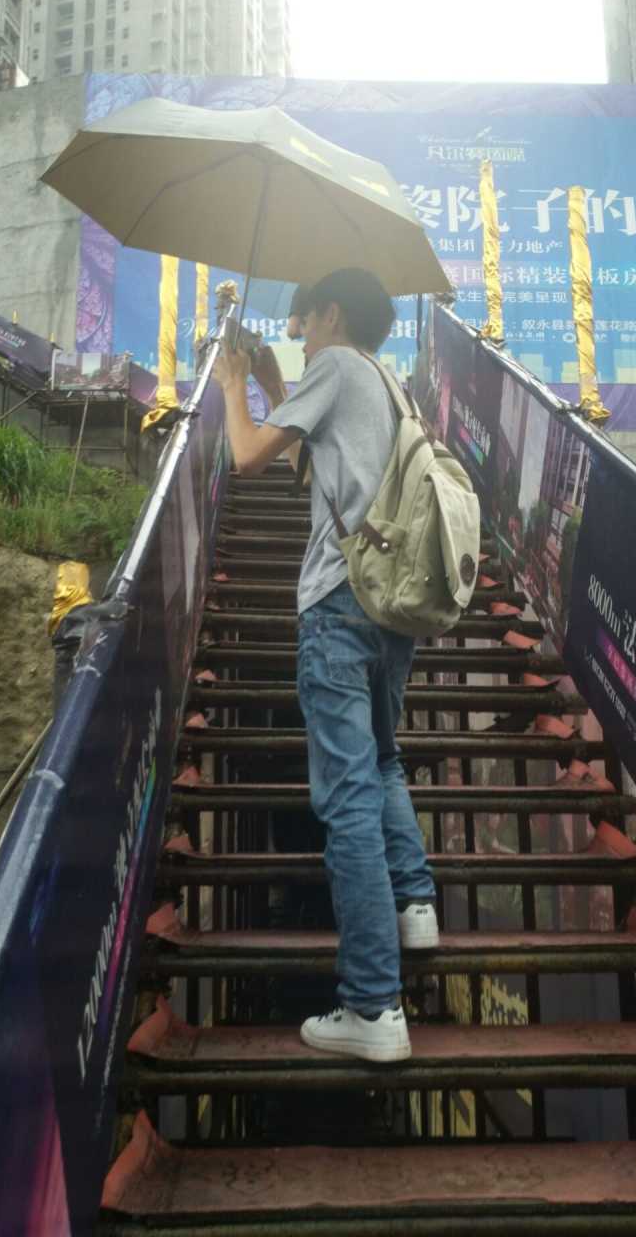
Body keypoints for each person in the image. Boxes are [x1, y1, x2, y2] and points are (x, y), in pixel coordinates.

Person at [212, 268, 438, 1063]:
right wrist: (276, 386)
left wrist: (233, 383)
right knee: (381, 763)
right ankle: (415, 904)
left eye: (303, 322)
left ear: (332, 315)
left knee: (346, 801)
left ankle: (373, 1006)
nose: (300, 336)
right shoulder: (386, 383)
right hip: (389, 609)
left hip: (339, 607)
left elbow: (246, 455)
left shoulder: (336, 366)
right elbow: (311, 470)